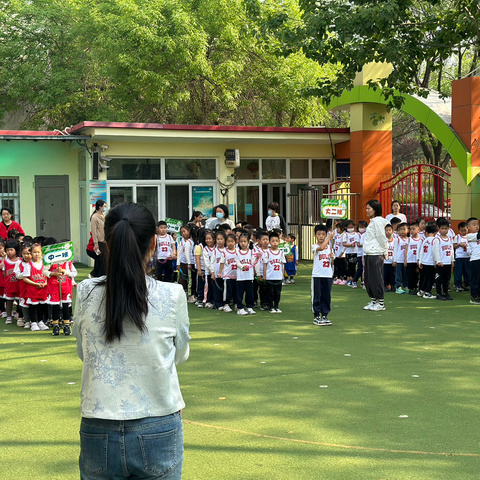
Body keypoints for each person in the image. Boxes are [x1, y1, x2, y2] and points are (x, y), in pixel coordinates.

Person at [73, 202, 190, 480]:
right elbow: (180, 353)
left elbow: (84, 351)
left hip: (98, 423)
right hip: (158, 421)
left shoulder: (86, 292)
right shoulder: (172, 295)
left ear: (106, 243)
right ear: (153, 242)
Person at [363, 200, 389, 311]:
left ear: (375, 209)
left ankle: (381, 303)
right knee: (369, 279)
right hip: (369, 253)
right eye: (366, 208)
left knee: (376, 278)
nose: (367, 210)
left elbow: (382, 238)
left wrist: (385, 251)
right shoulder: (372, 221)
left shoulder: (378, 222)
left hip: (376, 254)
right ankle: (373, 301)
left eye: (369, 208)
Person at [311, 224, 335, 326]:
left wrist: (332, 257)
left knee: (326, 295)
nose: (321, 236)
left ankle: (325, 314)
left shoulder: (329, 247)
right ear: (315, 235)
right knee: (317, 295)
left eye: (323, 234)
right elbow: (320, 248)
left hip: (327, 274)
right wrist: (329, 237)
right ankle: (316, 315)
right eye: (319, 234)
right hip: (317, 274)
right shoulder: (314, 246)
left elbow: (331, 263)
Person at [236, 233, 258, 315]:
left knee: (250, 293)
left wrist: (257, 257)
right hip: (240, 277)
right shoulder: (237, 252)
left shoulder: (252, 252)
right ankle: (240, 308)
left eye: (245, 241)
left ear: (248, 242)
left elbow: (253, 262)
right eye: (241, 241)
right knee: (240, 293)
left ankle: (249, 307)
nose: (243, 243)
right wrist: (242, 266)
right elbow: (237, 262)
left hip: (249, 276)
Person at [263, 231, 286, 313]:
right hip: (270, 276)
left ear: (279, 242)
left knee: (277, 293)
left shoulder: (281, 253)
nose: (275, 243)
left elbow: (283, 264)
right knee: (270, 293)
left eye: (276, 241)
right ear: (270, 242)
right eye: (273, 241)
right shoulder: (267, 253)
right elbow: (265, 264)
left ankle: (276, 306)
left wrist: (283, 275)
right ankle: (271, 307)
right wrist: (264, 275)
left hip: (278, 276)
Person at [433, 218, 454, 301]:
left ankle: (446, 292)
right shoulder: (437, 239)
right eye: (442, 229)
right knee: (439, 279)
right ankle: (439, 293)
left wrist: (452, 260)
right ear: (439, 229)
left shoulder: (450, 239)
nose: (444, 230)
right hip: (441, 263)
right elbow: (436, 251)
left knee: (446, 279)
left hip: (448, 262)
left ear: (448, 229)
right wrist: (438, 261)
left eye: (446, 229)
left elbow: (451, 250)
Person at [417, 225, 437, 299]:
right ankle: (427, 292)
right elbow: (435, 252)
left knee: (426, 277)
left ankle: (422, 290)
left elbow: (421, 251)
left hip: (424, 261)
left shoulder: (425, 240)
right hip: (430, 262)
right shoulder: (435, 240)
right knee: (431, 278)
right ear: (435, 233)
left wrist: (420, 261)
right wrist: (436, 261)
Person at [404, 221, 423, 295]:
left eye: (413, 229)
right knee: (410, 275)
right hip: (410, 260)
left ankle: (416, 287)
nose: (412, 231)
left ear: (418, 230)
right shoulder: (408, 239)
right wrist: (405, 260)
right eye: (410, 229)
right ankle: (411, 288)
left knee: (416, 275)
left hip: (417, 260)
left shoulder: (421, 240)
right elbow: (406, 250)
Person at [90, 200, 107, 277]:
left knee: (104, 259)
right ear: (100, 207)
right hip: (99, 241)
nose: (105, 207)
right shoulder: (94, 217)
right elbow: (94, 231)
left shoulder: (103, 216)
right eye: (104, 206)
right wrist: (95, 243)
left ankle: (101, 274)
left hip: (105, 241)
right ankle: (95, 274)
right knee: (100, 259)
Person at [453, 222, 471, 293]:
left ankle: (467, 284)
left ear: (468, 229)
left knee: (468, 271)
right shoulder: (457, 237)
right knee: (458, 272)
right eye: (461, 230)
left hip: (467, 256)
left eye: (465, 230)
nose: (463, 232)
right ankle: (458, 285)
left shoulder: (470, 237)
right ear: (459, 230)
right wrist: (459, 245)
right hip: (459, 257)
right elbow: (454, 246)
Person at [466, 217, 480, 305]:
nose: (476, 226)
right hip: (475, 260)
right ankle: (474, 296)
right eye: (474, 225)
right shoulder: (470, 236)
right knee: (475, 278)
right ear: (468, 227)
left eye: (478, 224)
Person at [393, 222, 409, 294]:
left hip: (406, 260)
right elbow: (395, 250)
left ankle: (406, 286)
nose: (402, 231)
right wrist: (395, 260)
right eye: (400, 230)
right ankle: (398, 287)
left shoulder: (409, 239)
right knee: (398, 274)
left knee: (406, 274)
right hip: (399, 260)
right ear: (398, 231)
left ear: (407, 230)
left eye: (404, 229)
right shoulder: (397, 239)